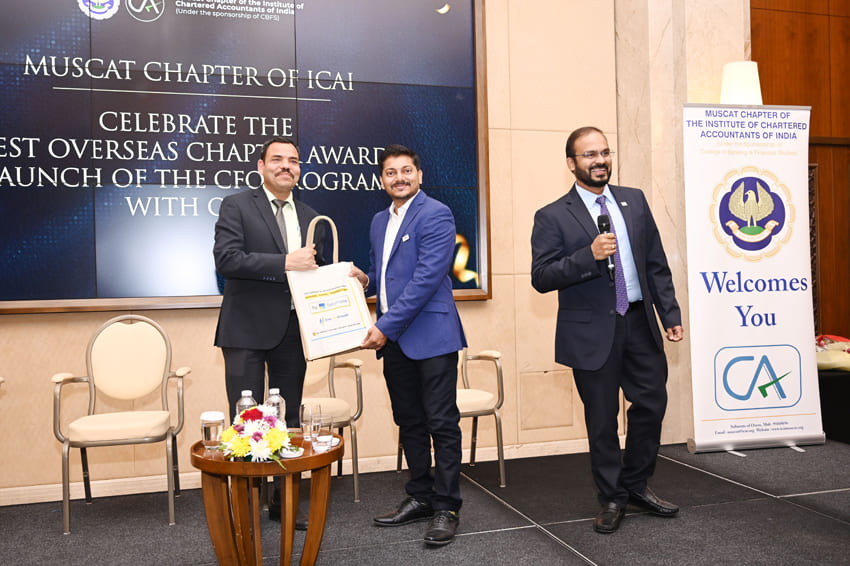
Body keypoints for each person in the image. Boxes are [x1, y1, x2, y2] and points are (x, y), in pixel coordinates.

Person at [530, 126, 684, 534]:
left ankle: (636, 484)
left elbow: (656, 263)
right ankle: (612, 498)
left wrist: (669, 314)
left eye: (604, 152)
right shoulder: (552, 215)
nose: (600, 161)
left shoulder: (634, 200)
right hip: (592, 331)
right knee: (602, 419)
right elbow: (541, 276)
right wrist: (589, 255)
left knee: (651, 404)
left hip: (639, 320)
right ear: (571, 164)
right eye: (589, 155)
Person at [352, 144, 467, 546]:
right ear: (382, 179)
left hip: (431, 336)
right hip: (396, 339)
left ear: (420, 175)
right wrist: (363, 280)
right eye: (390, 172)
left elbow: (426, 278)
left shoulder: (436, 213)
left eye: (406, 170)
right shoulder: (379, 220)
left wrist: (384, 326)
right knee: (409, 420)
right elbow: (385, 275)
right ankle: (420, 495)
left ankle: (447, 506)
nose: (399, 178)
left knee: (441, 422)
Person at [213, 136, 326, 524]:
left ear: (299, 169)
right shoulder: (237, 205)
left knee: (288, 420)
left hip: (292, 331)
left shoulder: (311, 216)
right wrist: (284, 262)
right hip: (244, 329)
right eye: (277, 159)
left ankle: (283, 501)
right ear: (261, 166)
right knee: (247, 420)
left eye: (293, 160)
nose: (286, 166)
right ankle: (246, 502)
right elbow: (227, 259)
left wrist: (351, 277)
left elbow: (318, 271)